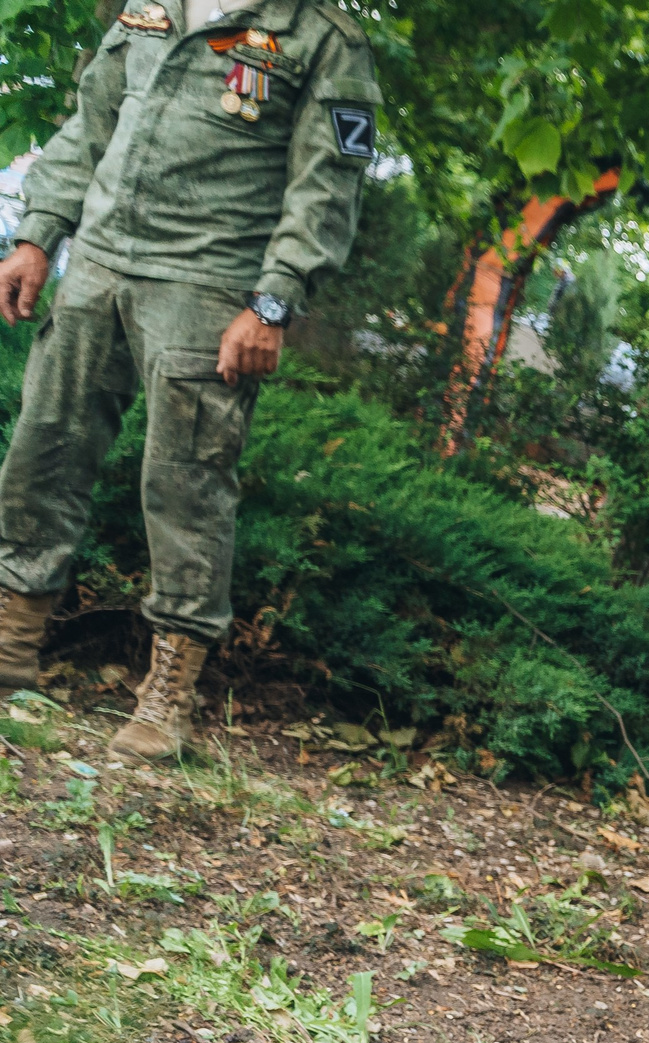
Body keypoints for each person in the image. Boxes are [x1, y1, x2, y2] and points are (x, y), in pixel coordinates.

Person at [0, 0, 380, 762]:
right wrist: (40, 232)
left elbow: (327, 187)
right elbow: (88, 126)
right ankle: (11, 644)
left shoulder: (321, 37)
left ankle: (167, 696)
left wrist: (272, 302)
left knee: (187, 486)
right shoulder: (153, 8)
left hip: (208, 286)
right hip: (99, 267)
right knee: (43, 450)